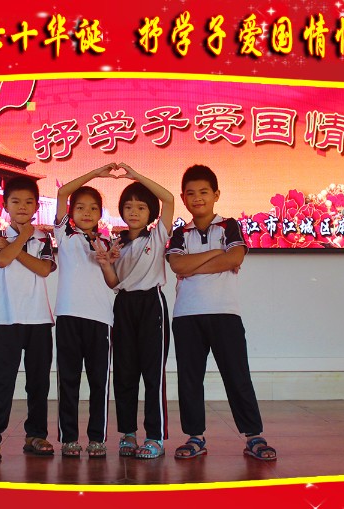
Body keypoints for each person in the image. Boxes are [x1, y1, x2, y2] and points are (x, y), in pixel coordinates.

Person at [165, 164, 276, 461]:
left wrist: (198, 263)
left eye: (204, 192)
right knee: (190, 379)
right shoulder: (180, 233)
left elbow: (235, 258)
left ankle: (254, 436)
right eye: (190, 193)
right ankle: (195, 437)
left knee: (237, 375)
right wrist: (217, 253)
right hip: (186, 315)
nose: (197, 198)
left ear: (216, 194)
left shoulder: (229, 226)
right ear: (183, 198)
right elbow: (177, 265)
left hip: (225, 313)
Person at [93, 162, 174, 460]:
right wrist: (106, 263)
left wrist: (136, 176)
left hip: (152, 305)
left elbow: (169, 200)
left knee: (152, 374)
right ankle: (128, 433)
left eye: (141, 207)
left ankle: (155, 437)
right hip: (124, 305)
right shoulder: (118, 244)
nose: (134, 212)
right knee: (125, 373)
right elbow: (114, 282)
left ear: (151, 213)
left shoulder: (157, 235)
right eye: (128, 207)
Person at [0, 176, 56, 465]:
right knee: (1, 382)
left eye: (29, 202)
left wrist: (15, 245)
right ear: (5, 205)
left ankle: (36, 435)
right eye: (16, 201)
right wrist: (21, 238)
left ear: (36, 206)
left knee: (38, 383)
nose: (22, 206)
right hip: (6, 319)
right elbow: (2, 260)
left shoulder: (44, 238)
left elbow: (43, 269)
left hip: (39, 320)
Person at [53, 163, 118, 458]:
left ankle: (97, 438)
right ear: (71, 212)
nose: (87, 213)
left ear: (101, 213)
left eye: (93, 208)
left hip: (101, 320)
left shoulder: (108, 243)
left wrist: (108, 261)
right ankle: (69, 438)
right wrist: (94, 173)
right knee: (68, 380)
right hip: (68, 316)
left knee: (98, 382)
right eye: (80, 207)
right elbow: (62, 192)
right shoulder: (64, 235)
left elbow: (114, 282)